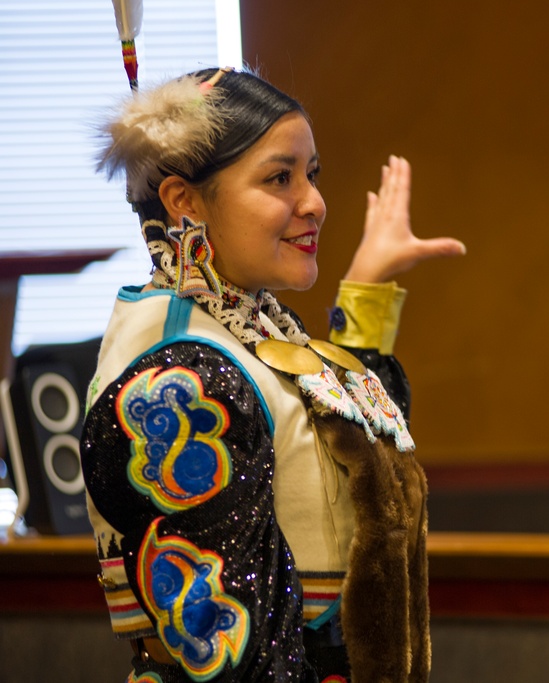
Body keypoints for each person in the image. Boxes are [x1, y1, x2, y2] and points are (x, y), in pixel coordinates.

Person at [81, 66, 465, 682]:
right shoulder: (181, 373)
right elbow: (238, 656)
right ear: (184, 202)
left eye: (311, 175)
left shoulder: (239, 324)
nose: (314, 202)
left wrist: (366, 288)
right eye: (279, 177)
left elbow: (344, 466)